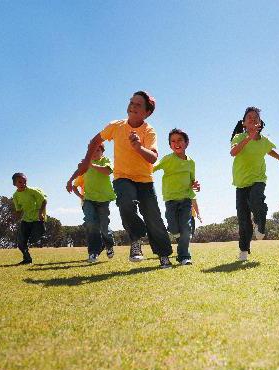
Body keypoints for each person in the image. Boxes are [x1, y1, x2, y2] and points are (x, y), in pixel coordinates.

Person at [66, 91, 173, 267]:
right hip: (122, 176)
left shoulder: (148, 130)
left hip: (145, 179)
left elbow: (153, 158)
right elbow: (94, 141)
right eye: (131, 102)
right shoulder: (116, 126)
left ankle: (163, 256)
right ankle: (136, 239)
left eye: (138, 104)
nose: (133, 106)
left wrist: (138, 147)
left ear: (147, 112)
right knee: (125, 204)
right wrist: (86, 161)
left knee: (153, 216)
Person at [231, 107, 279, 261]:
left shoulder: (264, 141)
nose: (252, 119)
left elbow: (270, 151)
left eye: (256, 117)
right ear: (244, 123)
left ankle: (261, 222)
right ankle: (244, 251)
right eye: (249, 117)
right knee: (244, 220)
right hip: (241, 183)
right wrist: (248, 138)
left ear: (260, 123)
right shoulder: (239, 137)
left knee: (256, 199)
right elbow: (233, 152)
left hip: (258, 179)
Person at [153, 128, 200, 265]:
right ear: (170, 145)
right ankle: (179, 238)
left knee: (186, 228)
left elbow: (192, 180)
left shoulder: (191, 162)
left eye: (180, 140)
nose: (176, 143)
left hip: (186, 200)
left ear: (186, 143)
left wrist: (195, 185)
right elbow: (152, 168)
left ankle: (184, 256)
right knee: (173, 228)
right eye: (173, 141)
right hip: (170, 201)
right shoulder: (167, 159)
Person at [71, 144, 116, 263]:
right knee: (91, 224)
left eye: (98, 150)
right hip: (89, 199)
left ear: (102, 152)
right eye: (93, 151)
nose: (95, 152)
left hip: (103, 199)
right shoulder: (85, 166)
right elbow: (76, 182)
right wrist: (80, 195)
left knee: (104, 225)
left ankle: (109, 245)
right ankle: (93, 253)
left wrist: (90, 164)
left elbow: (107, 171)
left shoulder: (106, 161)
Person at [12, 173, 46, 265]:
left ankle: (39, 235)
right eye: (20, 182)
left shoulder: (32, 191)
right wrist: (14, 217)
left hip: (37, 219)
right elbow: (18, 210)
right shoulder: (15, 196)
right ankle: (27, 259)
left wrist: (40, 213)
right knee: (21, 242)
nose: (23, 183)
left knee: (36, 237)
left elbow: (44, 201)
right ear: (14, 183)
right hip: (26, 219)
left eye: (24, 181)